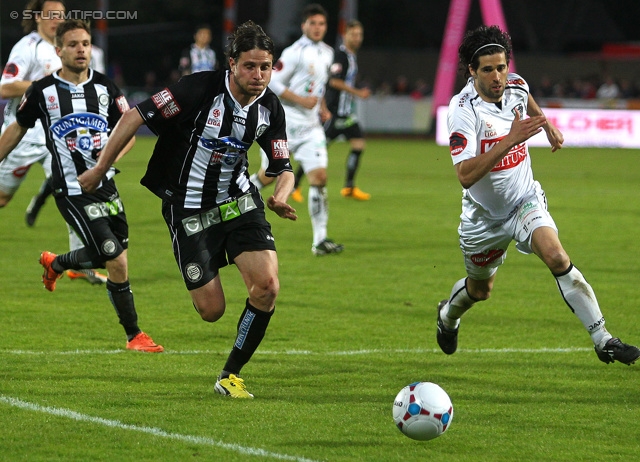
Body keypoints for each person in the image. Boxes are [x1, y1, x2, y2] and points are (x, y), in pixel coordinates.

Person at [77, 21, 297, 397]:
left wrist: (281, 195)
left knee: (267, 288)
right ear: (231, 63)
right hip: (188, 210)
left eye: (266, 67)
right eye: (250, 66)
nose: (259, 75)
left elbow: (283, 166)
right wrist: (100, 168)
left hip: (239, 203)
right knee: (212, 311)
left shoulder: (270, 108)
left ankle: (230, 374)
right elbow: (134, 116)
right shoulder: (197, 88)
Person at [437, 25, 640, 366]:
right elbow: (465, 175)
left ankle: (603, 338)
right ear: (472, 71)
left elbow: (526, 97)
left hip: (524, 199)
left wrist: (547, 127)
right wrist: (511, 140)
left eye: (501, 66)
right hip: (482, 219)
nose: (498, 76)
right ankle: (447, 316)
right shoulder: (463, 110)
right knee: (480, 291)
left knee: (558, 258)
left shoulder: (515, 84)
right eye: (488, 70)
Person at [0, 19, 163, 353]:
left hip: (106, 185)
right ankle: (135, 336)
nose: (81, 50)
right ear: (58, 50)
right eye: (73, 44)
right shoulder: (42, 91)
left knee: (117, 260)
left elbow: (126, 129)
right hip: (70, 188)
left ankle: (56, 263)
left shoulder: (106, 87)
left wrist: (108, 160)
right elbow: (17, 128)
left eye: (86, 44)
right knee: (113, 256)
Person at [1, 0, 107, 285]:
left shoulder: (66, 47)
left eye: (60, 15)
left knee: (76, 192)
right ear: (37, 18)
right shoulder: (28, 47)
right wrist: (43, 85)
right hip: (22, 134)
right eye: (50, 15)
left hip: (57, 139)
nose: (56, 20)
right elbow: (5, 87)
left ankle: (79, 263)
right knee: (2, 198)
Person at [249, 4, 342, 256]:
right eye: (312, 23)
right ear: (304, 26)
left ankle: (320, 241)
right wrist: (301, 101)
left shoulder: (327, 52)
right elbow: (274, 82)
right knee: (268, 177)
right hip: (285, 126)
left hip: (311, 128)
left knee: (320, 179)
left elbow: (317, 86)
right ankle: (233, 201)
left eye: (321, 24)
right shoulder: (294, 52)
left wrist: (321, 106)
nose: (317, 28)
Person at [291, 19, 372, 202]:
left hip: (346, 114)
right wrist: (357, 92)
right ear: (346, 35)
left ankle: (349, 187)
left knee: (359, 144)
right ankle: (294, 186)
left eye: (360, 35)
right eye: (354, 34)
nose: (357, 38)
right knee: (316, 150)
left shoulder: (351, 56)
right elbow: (334, 81)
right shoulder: (340, 56)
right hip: (334, 113)